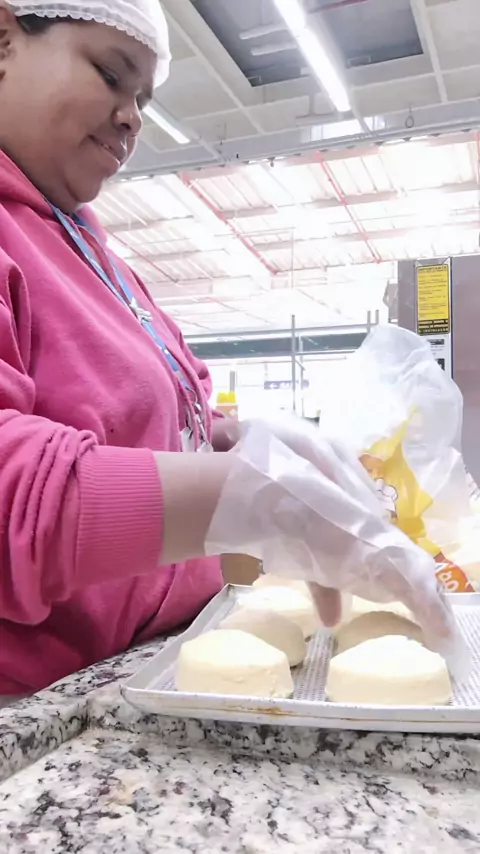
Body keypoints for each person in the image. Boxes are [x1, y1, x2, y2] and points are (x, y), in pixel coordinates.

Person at [0, 0, 460, 703]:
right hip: (41, 706)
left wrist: (237, 440)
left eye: (144, 100)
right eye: (111, 74)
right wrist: (247, 497)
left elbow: (154, 422)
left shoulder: (97, 258)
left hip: (152, 664)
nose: (131, 118)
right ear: (5, 38)